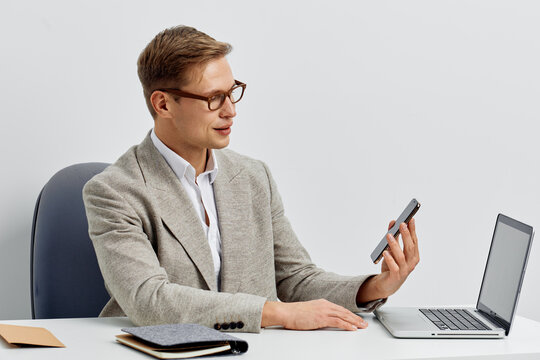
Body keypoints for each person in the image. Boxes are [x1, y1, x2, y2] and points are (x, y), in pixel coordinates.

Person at [82, 25, 420, 334]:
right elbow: (149, 300)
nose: (230, 110)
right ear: (163, 103)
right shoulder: (113, 192)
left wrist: (376, 286)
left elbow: (295, 279)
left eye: (233, 92)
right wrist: (278, 313)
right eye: (214, 98)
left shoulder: (253, 177)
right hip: (158, 352)